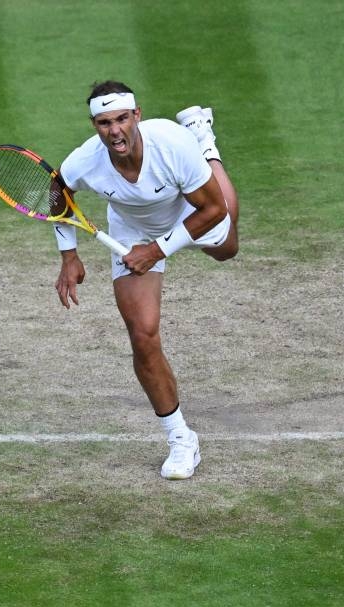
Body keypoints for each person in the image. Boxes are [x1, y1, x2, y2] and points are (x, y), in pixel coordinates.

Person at [52, 80, 239, 480]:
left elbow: (214, 210)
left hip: (188, 210)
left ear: (137, 115)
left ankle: (205, 143)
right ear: (94, 125)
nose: (114, 130)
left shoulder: (171, 145)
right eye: (104, 123)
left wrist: (156, 251)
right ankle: (181, 439)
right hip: (131, 231)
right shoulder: (84, 161)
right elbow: (57, 192)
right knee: (142, 334)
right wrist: (69, 255)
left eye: (122, 119)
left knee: (227, 248)